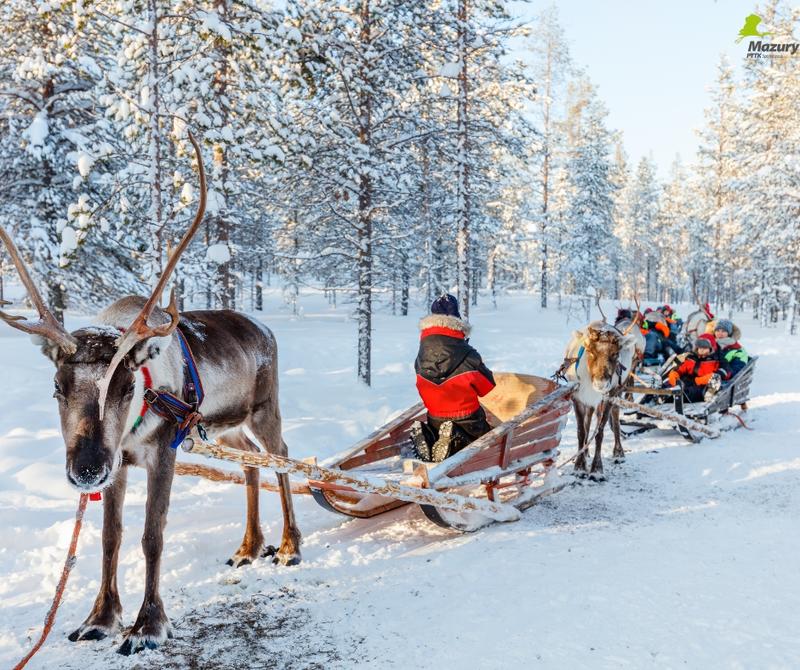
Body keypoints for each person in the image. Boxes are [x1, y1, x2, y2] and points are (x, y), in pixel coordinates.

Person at [411, 294, 496, 462]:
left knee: (440, 427)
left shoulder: (421, 356)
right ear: (457, 321)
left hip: (434, 418)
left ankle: (431, 437)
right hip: (469, 420)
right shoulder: (468, 355)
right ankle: (454, 438)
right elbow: (487, 387)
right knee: (484, 440)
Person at [666, 334, 729, 403]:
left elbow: (725, 371)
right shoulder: (691, 357)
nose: (701, 350)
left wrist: (701, 380)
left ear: (711, 348)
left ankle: (672, 397)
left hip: (703, 385)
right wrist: (675, 375)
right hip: (687, 382)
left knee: (690, 393)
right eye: (700, 348)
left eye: (704, 348)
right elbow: (681, 368)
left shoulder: (717, 359)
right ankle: (664, 394)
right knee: (670, 383)